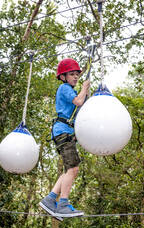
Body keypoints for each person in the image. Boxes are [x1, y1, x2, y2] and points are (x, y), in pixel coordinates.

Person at [39, 58, 90, 219]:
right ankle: (63, 204)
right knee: (73, 169)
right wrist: (84, 89)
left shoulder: (71, 90)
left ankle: (50, 200)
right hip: (62, 131)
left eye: (77, 75)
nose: (75, 77)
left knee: (69, 170)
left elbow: (80, 107)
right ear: (63, 77)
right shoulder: (65, 88)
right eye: (72, 74)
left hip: (66, 132)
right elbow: (78, 101)